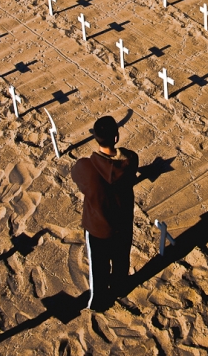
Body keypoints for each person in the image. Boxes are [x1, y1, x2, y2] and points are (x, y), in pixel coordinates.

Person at [71, 115, 138, 311]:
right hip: (123, 224)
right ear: (116, 138)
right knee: (121, 260)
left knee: (98, 269)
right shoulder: (130, 161)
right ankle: (119, 287)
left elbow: (76, 175)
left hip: (98, 228)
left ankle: (99, 302)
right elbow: (128, 156)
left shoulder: (86, 167)